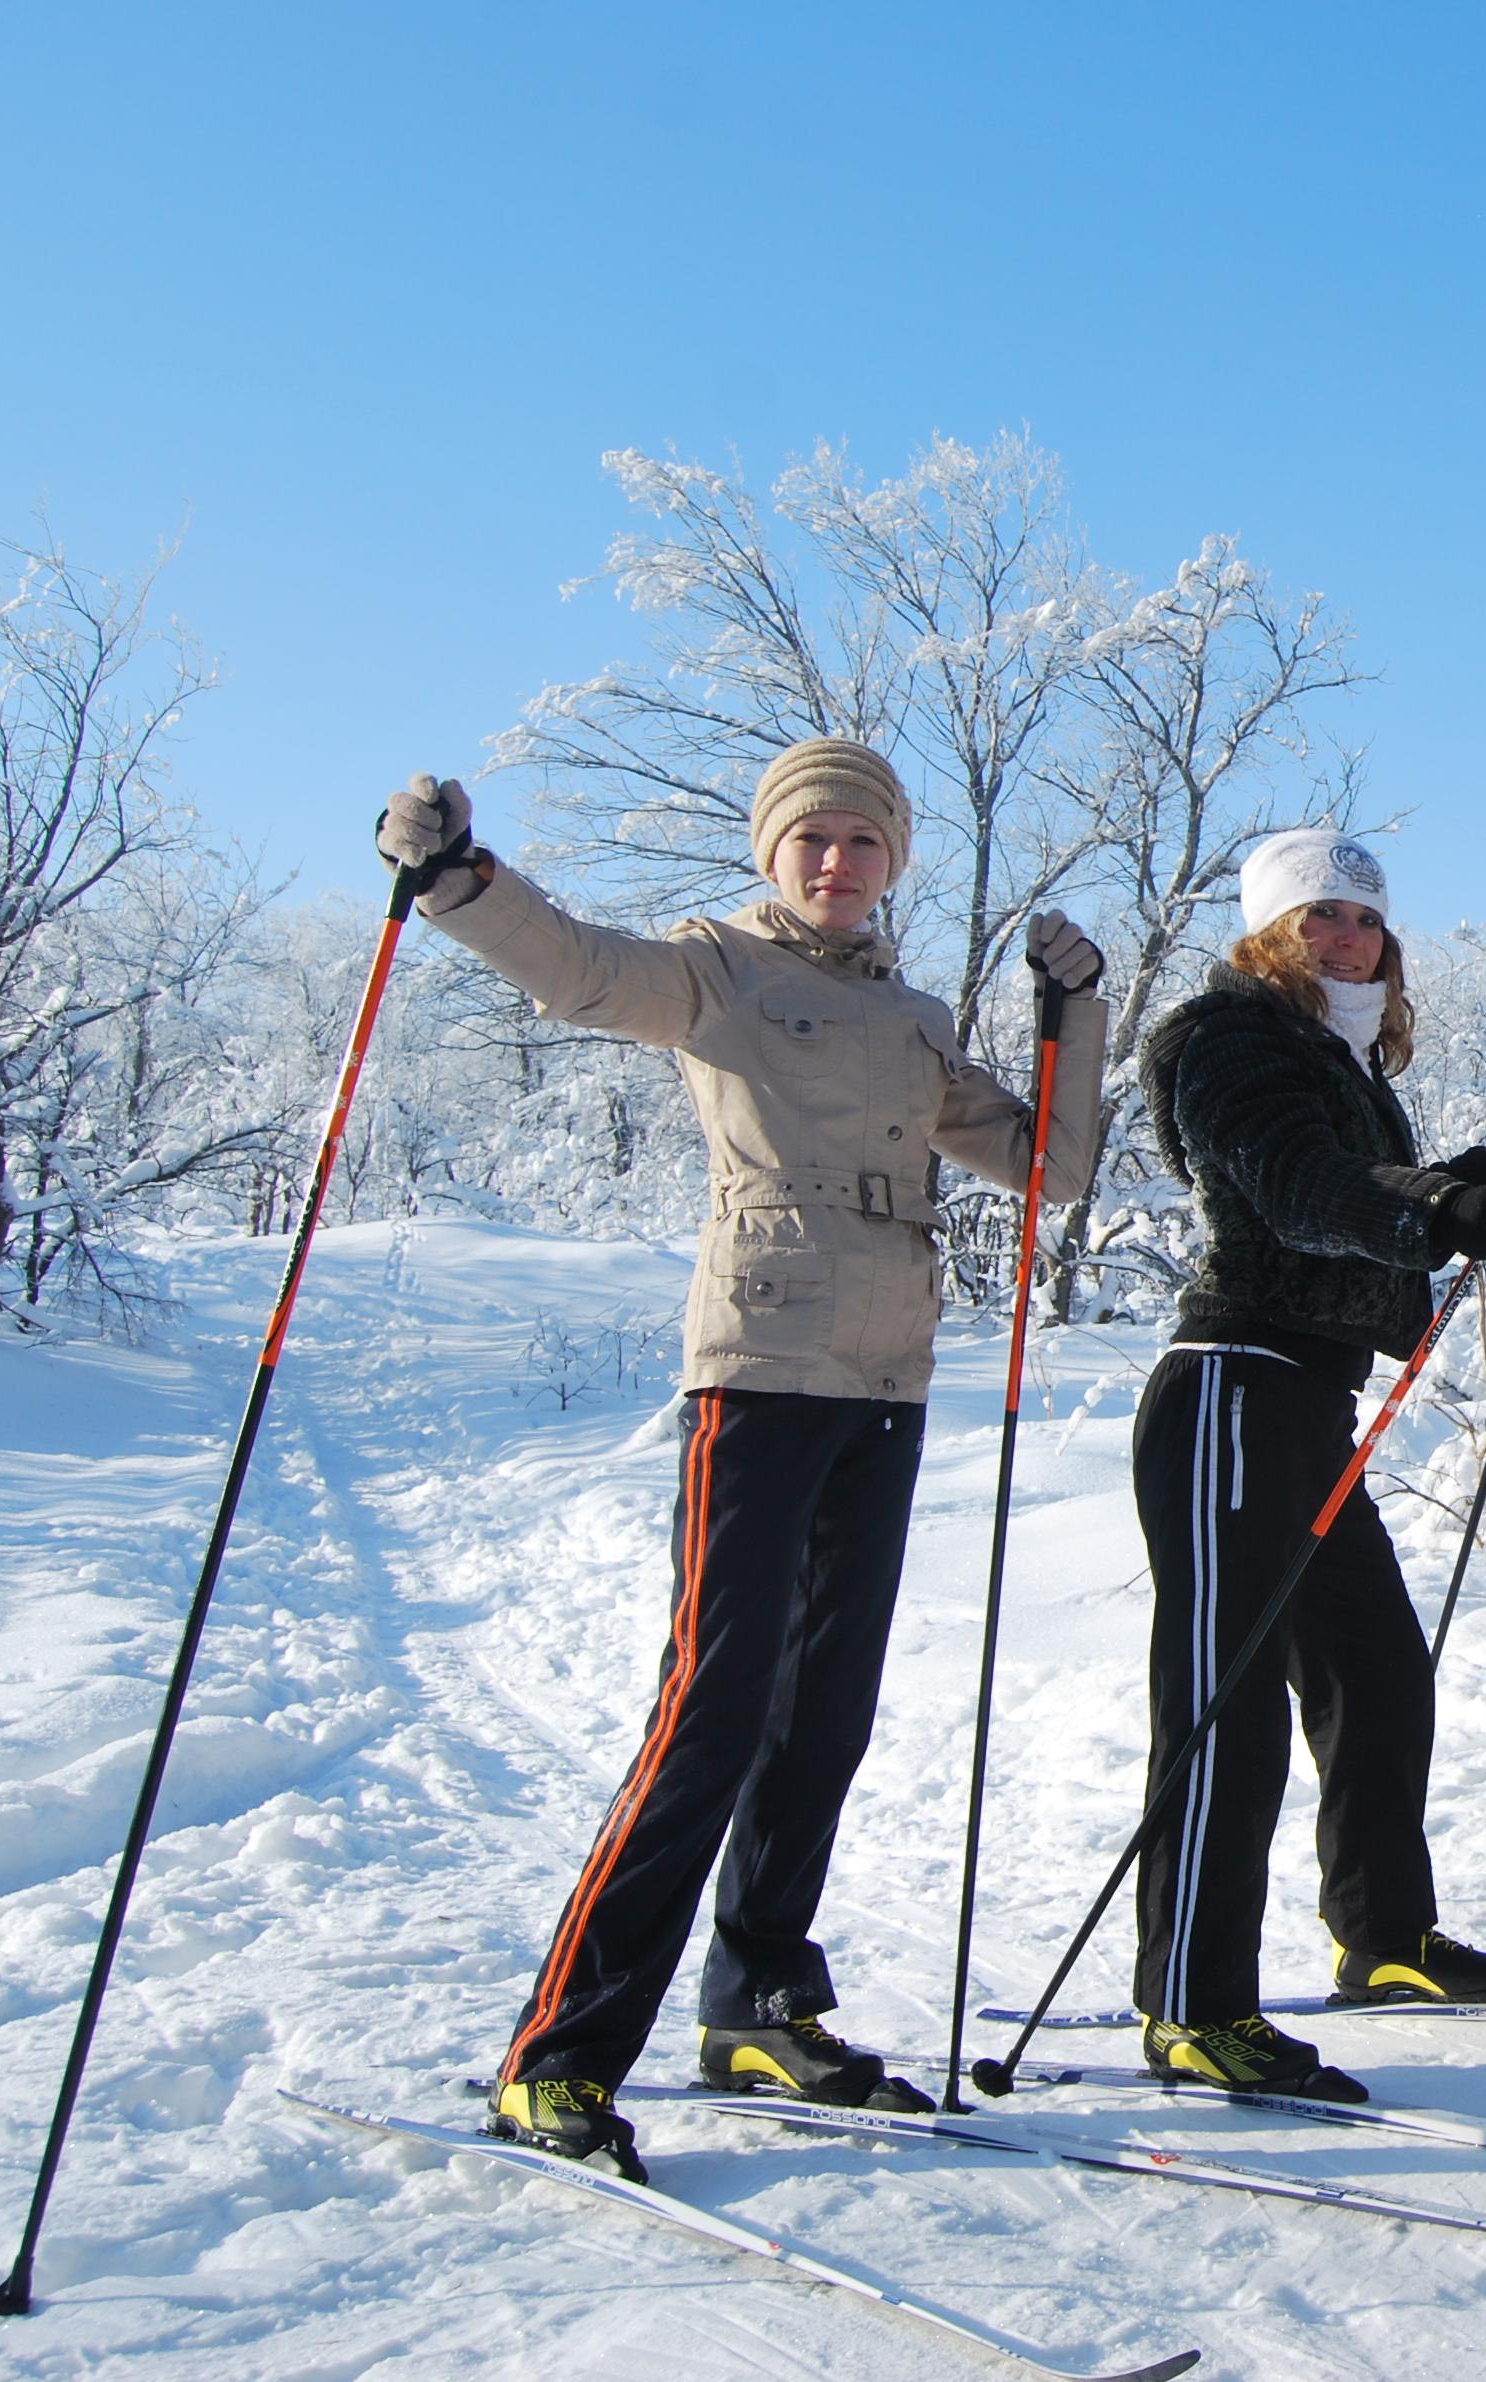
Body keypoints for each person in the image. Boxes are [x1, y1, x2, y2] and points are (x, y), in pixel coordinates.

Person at [375, 740, 1111, 2182]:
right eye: (811, 839)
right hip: (761, 1372)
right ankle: (561, 2054)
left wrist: (1073, 1014)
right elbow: (580, 969)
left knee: (822, 1709)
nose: (836, 862)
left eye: (862, 841)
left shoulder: (905, 1014)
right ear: (775, 853)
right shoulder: (715, 969)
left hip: (888, 1380)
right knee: (709, 1712)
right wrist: (461, 878)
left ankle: (759, 2000)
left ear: (895, 858)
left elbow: (1053, 1167)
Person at [1127, 826, 1486, 2102]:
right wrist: (1429, 1209)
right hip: (1231, 1392)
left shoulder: (1331, 1055)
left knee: (1376, 1678)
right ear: (1266, 934)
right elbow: (1301, 1186)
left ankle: (1385, 1941)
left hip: (1305, 1406)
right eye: (1318, 917)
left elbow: (1370, 1178)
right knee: (1224, 1710)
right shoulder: (1222, 1038)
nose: (1345, 936)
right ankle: (1191, 2002)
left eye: (1362, 917)